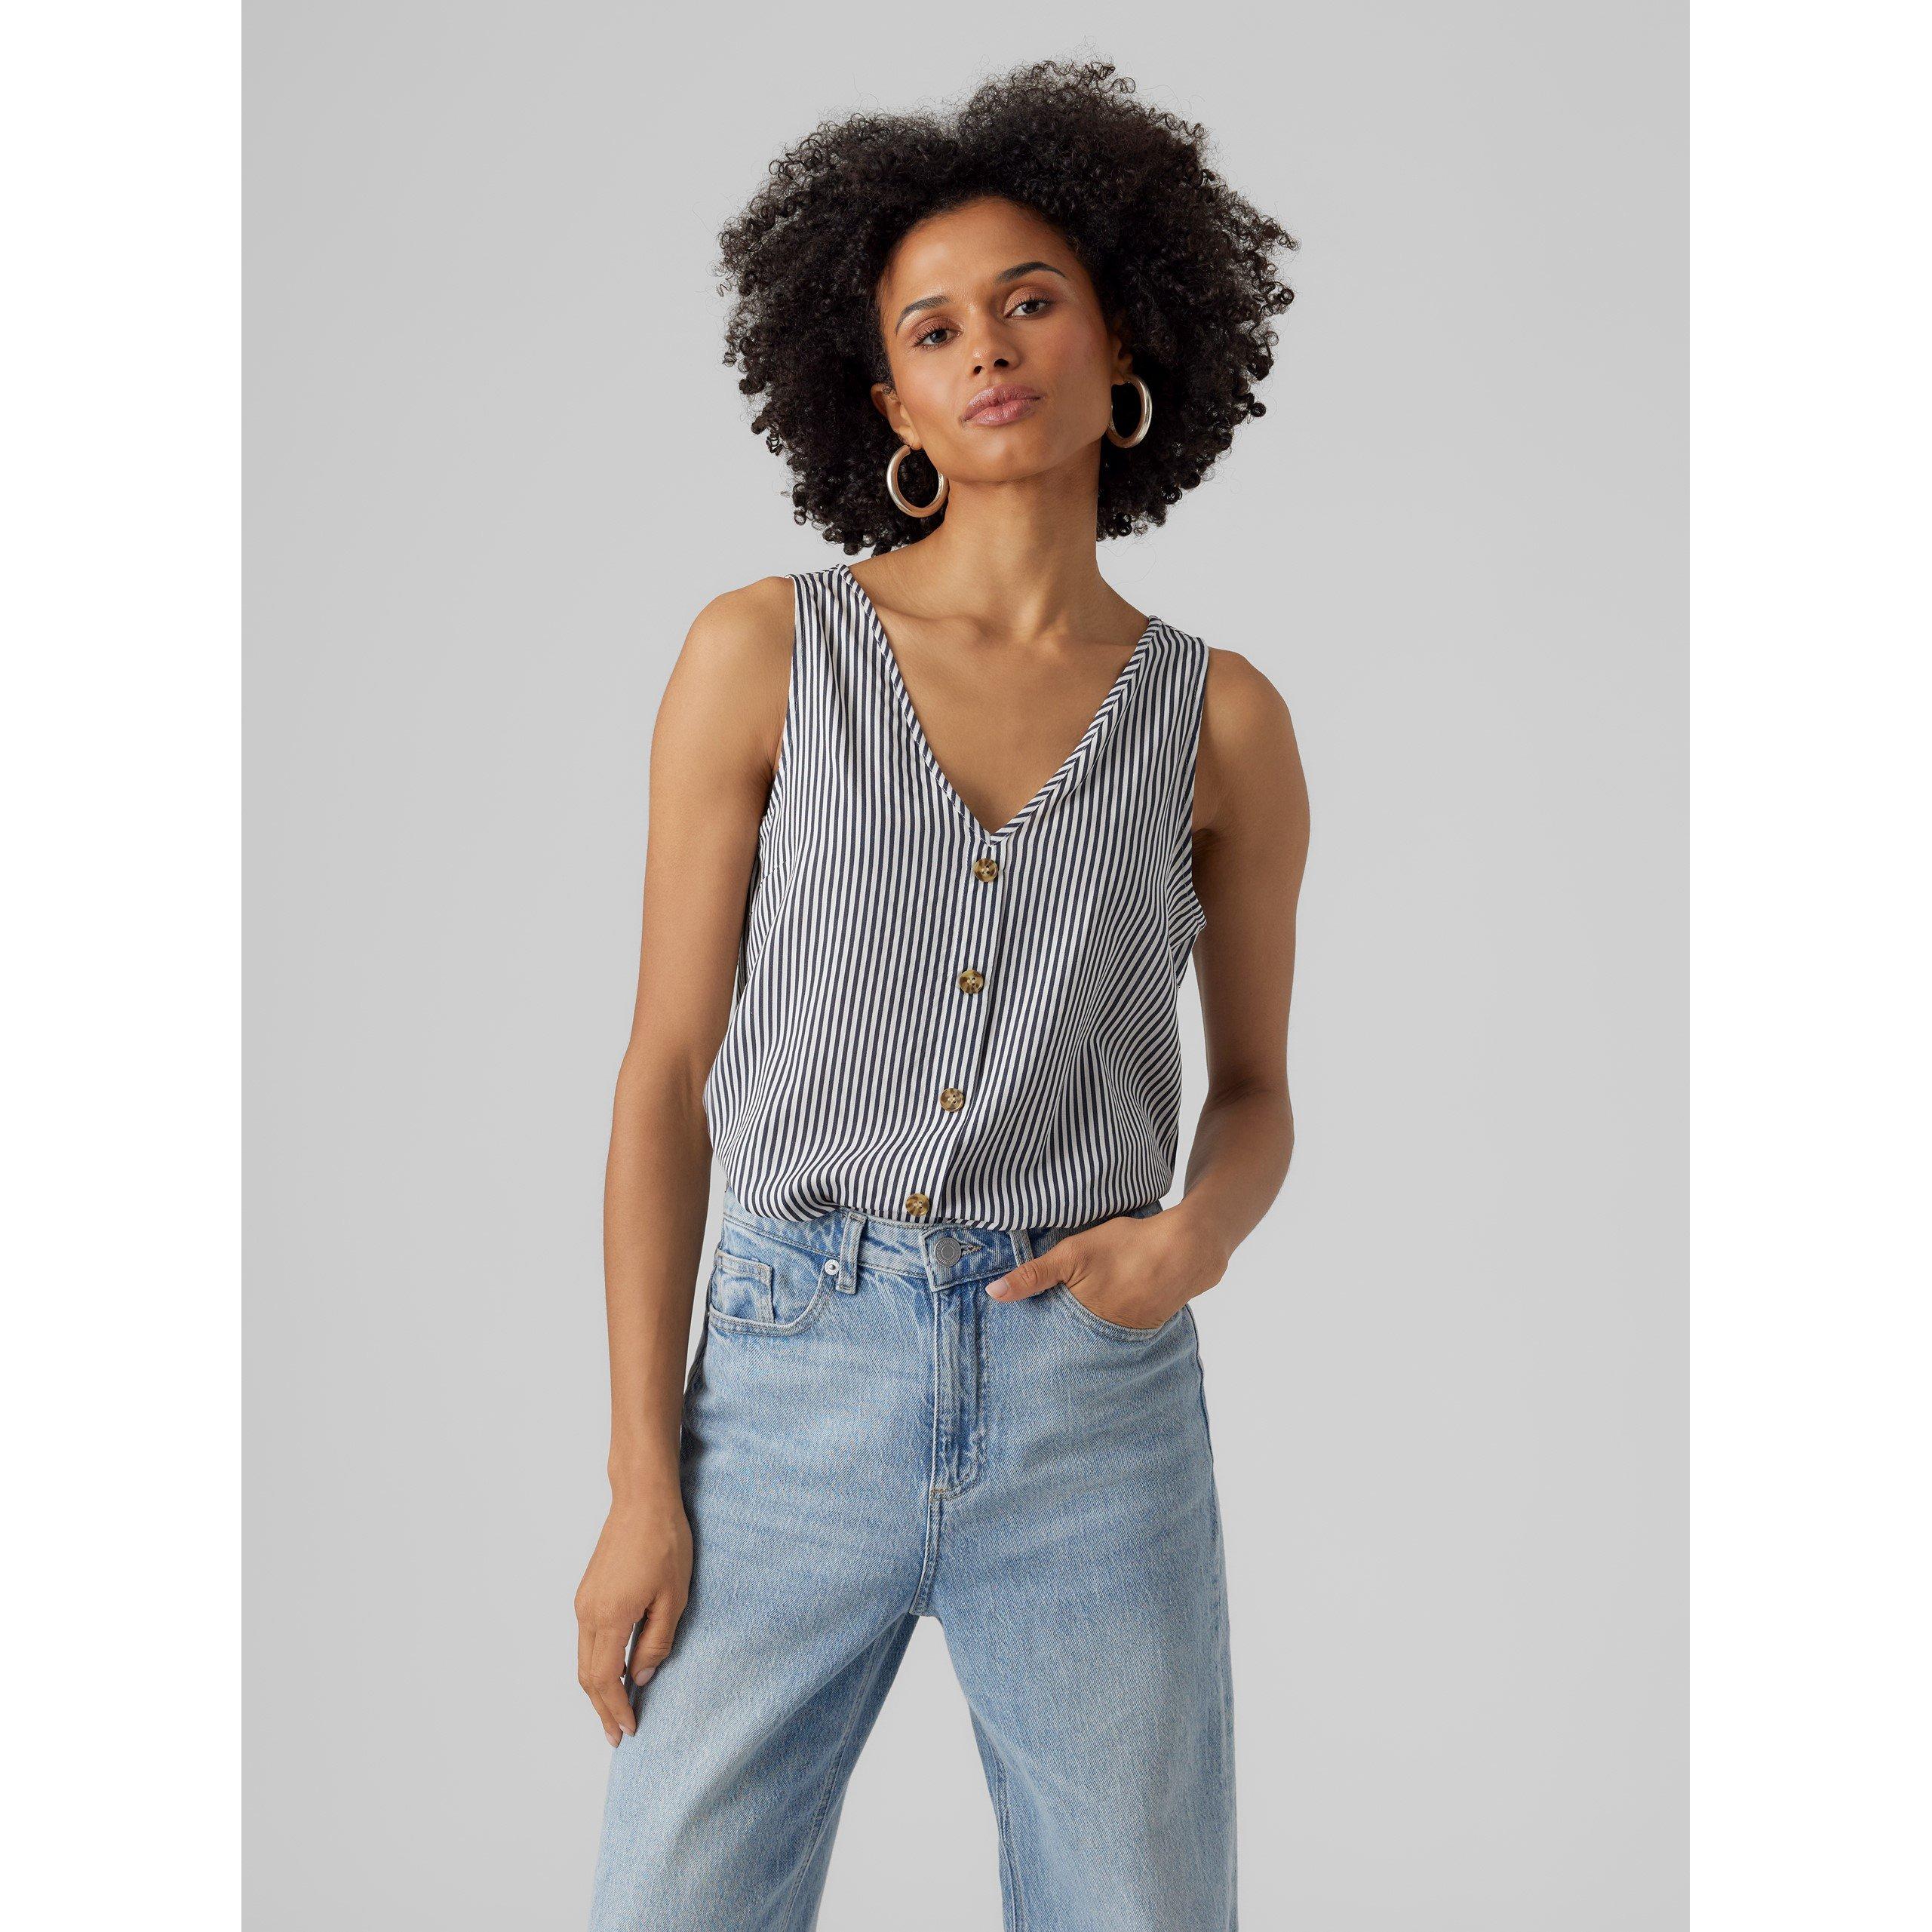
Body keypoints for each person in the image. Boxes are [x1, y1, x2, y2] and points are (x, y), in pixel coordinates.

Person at [576, 57, 1309, 1931]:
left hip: (1092, 1400)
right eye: (934, 326)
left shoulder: (1222, 722)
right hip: (788, 1373)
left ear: (1123, 340)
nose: (988, 345)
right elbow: (665, 1075)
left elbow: (1253, 1093)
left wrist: (1194, 1239)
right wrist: (643, 1475)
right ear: (888, 400)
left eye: (1032, 299)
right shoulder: (761, 655)